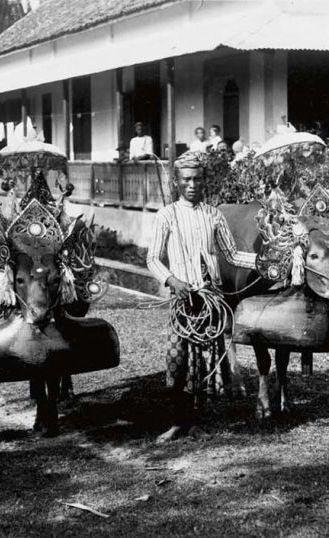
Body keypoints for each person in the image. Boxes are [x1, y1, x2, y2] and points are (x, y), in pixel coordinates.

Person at [146, 151, 256, 442]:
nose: (192, 184)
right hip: (182, 301)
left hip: (210, 300)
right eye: (186, 179)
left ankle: (195, 422)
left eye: (197, 179)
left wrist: (262, 262)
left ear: (203, 181)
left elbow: (231, 254)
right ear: (176, 183)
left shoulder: (213, 215)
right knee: (177, 360)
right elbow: (152, 259)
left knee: (201, 364)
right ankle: (177, 422)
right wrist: (173, 280)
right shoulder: (166, 215)